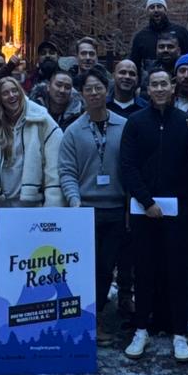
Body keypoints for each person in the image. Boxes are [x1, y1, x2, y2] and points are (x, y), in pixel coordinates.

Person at [119, 66, 188, 363]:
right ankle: (141, 328)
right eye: (154, 84)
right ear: (147, 90)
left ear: (172, 88)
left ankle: (179, 332)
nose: (159, 89)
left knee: (177, 271)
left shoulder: (185, 122)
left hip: (177, 212)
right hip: (143, 210)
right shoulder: (136, 122)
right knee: (144, 269)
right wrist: (146, 201)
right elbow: (127, 166)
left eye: (163, 84)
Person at [59, 68, 128, 338]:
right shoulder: (73, 131)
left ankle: (97, 314)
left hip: (116, 209)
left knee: (106, 268)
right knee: (85, 269)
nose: (94, 93)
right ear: (82, 94)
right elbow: (66, 170)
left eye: (98, 87)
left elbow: (131, 167)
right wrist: (74, 200)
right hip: (85, 209)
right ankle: (83, 320)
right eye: (88, 89)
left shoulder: (124, 126)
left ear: (107, 90)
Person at [0, 76, 63, 209]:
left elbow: (54, 166)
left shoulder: (42, 120)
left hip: (32, 205)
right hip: (1, 205)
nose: (12, 95)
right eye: (5, 93)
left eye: (14, 90)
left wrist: (53, 203)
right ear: (0, 99)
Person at [128, 0, 188, 72]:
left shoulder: (180, 32)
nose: (156, 10)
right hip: (151, 78)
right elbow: (135, 65)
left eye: (159, 6)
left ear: (165, 10)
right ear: (147, 12)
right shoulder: (140, 37)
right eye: (152, 7)